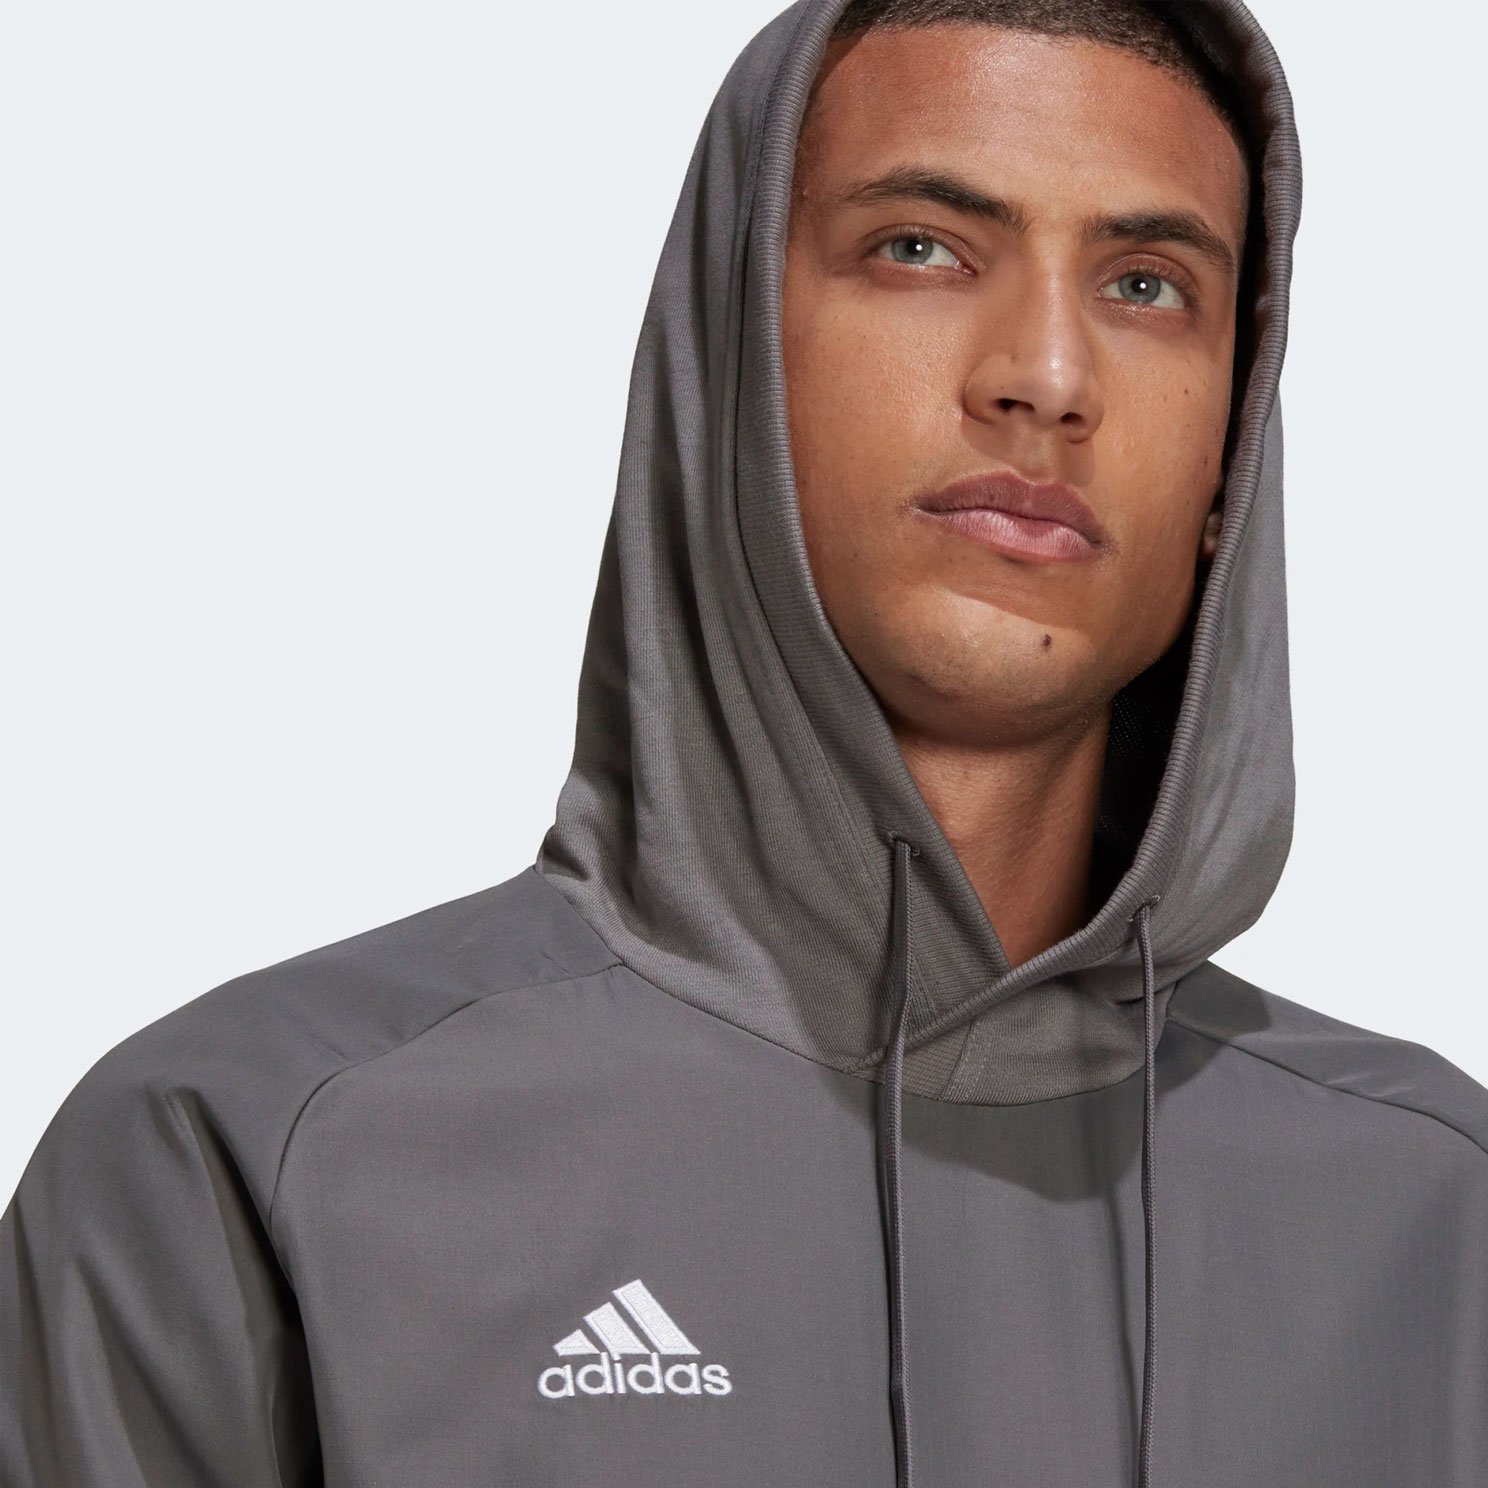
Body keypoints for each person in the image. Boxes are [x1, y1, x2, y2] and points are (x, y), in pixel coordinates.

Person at [2, 0, 1484, 1482]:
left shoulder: (1440, 1219)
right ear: (732, 360)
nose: (1046, 373)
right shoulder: (253, 1154)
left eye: (1147, 285)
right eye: (922, 248)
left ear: (1232, 447)